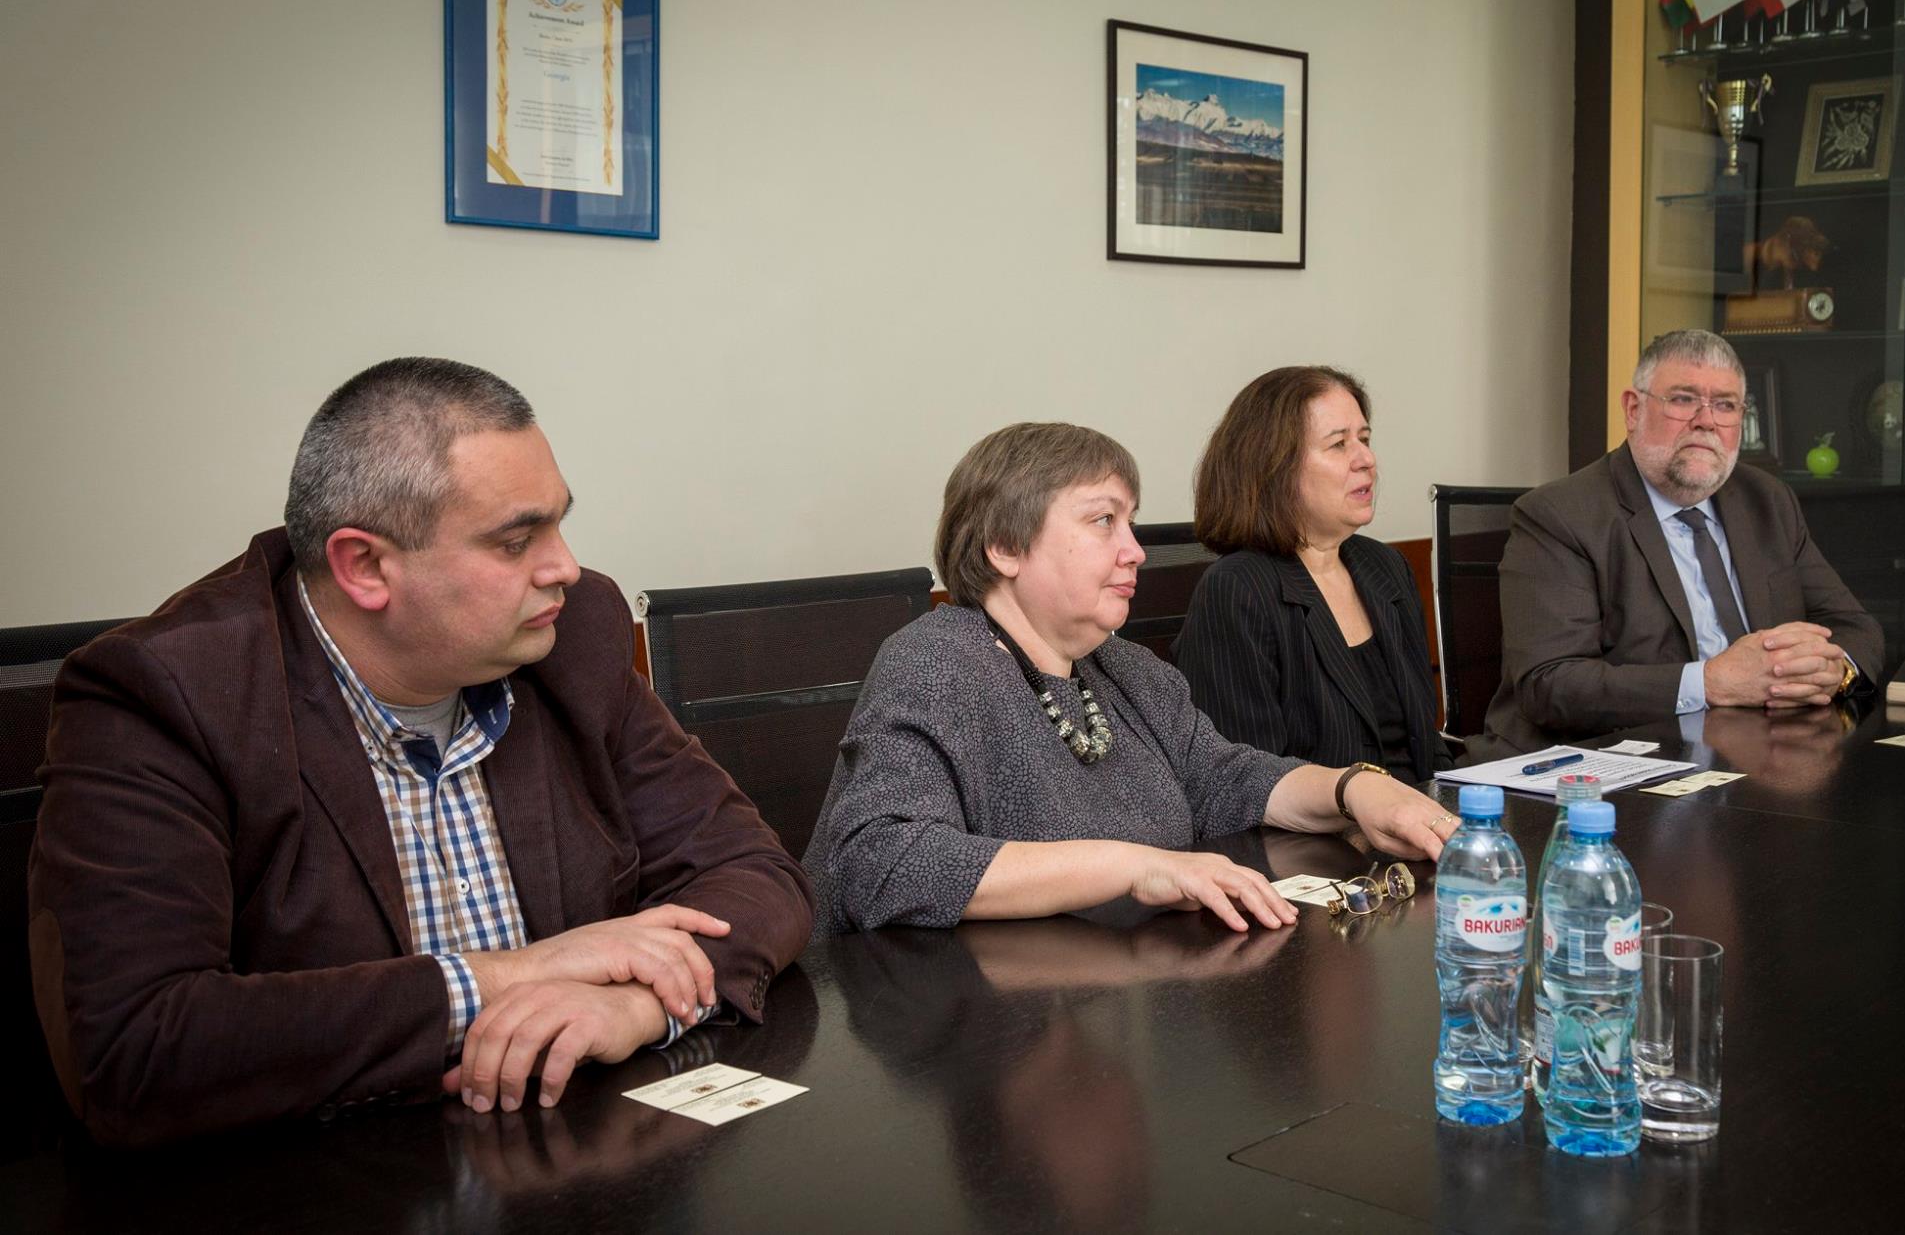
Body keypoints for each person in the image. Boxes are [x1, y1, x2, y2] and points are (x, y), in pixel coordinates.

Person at [28, 358, 814, 1145]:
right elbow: (136, 1048)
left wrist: (635, 1004)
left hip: (572, 1154)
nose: (564, 568)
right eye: (516, 541)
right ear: (366, 566)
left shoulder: (571, 636)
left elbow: (755, 874)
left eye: (557, 524)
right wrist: (513, 974)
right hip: (321, 1178)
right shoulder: (166, 694)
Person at [803, 422, 1454, 934]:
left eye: (1131, 522)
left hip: (1094, 992)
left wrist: (1353, 789)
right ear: (1004, 547)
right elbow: (883, 862)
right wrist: (1131, 867)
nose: (1135, 550)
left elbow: (1225, 778)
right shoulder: (933, 663)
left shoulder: (1123, 668)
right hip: (939, 1021)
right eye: (1102, 520)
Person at [1483, 329, 1883, 753]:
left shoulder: (1767, 501)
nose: (1706, 421)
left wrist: (1835, 671)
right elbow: (1550, 683)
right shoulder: (1560, 515)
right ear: (1633, 409)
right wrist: (1711, 682)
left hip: (1753, 752)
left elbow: (1855, 627)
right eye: (1683, 399)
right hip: (1606, 761)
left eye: (1725, 405)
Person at [1176, 366, 1451, 783]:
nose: (1367, 460)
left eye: (1364, 439)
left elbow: (1427, 745)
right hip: (1320, 822)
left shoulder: (1384, 566)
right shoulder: (1238, 589)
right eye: (1339, 444)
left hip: (1417, 809)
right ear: (1274, 467)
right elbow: (1247, 784)